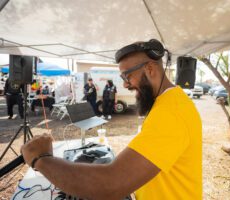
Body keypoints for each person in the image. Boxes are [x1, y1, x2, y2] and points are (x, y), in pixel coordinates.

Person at [21, 39, 202, 199]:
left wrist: (42, 160)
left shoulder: (172, 112)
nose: (124, 84)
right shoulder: (166, 103)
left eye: (127, 75)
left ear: (150, 69)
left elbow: (111, 183)